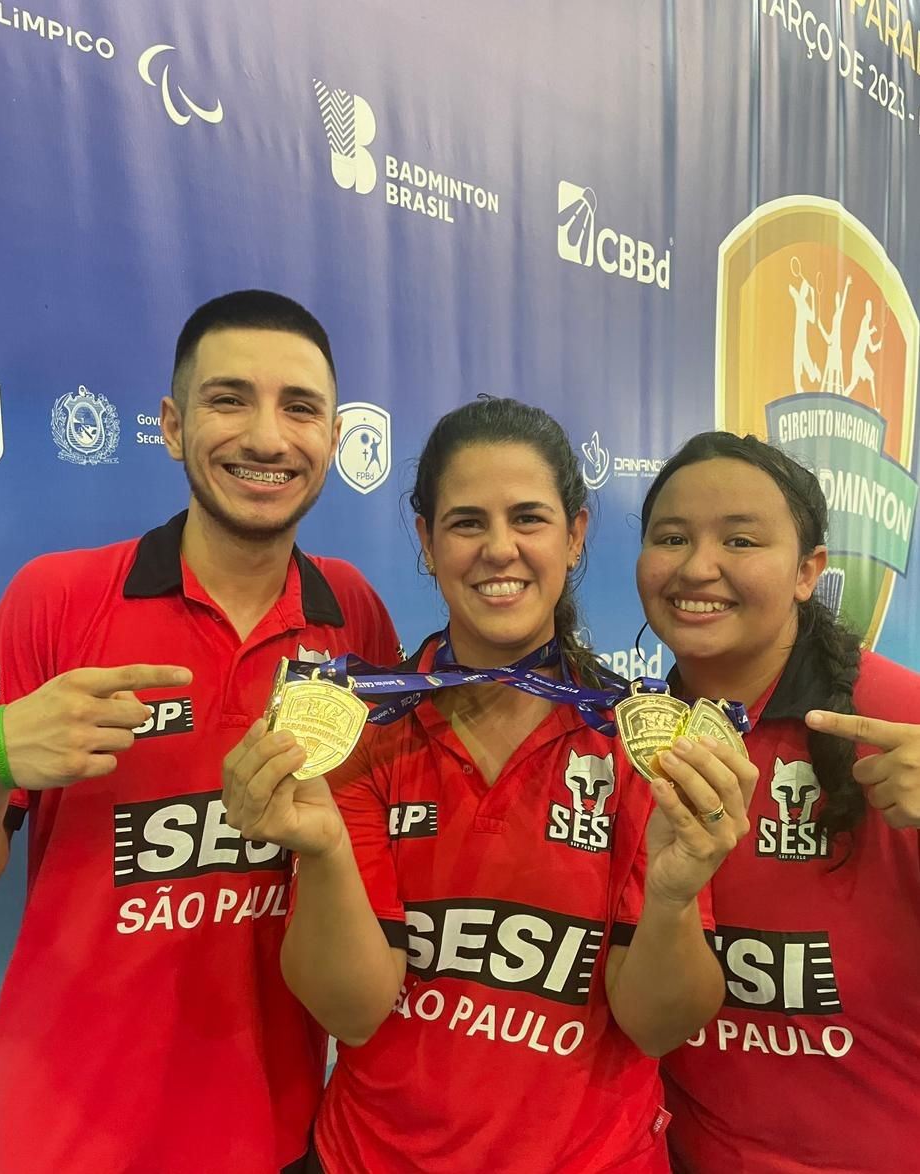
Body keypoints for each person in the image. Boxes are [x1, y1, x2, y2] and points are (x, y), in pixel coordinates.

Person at [222, 398, 758, 1173]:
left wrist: (674, 896)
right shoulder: (361, 728)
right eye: (466, 522)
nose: (498, 549)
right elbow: (352, 1009)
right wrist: (325, 851)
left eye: (529, 519)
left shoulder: (638, 739)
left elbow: (655, 1027)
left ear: (574, 536)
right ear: (426, 541)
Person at [0, 290, 401, 1174]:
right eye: (228, 398)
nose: (268, 438)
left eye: (300, 408)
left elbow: (365, 878)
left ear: (331, 439)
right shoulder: (56, 598)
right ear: (170, 425)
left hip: (276, 1138)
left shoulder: (354, 617)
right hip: (63, 1141)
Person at [635, 431, 920, 1173]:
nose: (697, 567)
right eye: (671, 537)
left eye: (739, 539)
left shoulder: (894, 719)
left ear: (806, 571)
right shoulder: (631, 737)